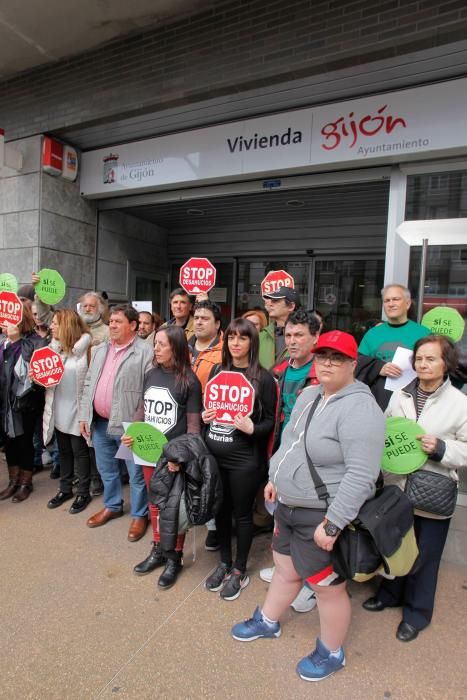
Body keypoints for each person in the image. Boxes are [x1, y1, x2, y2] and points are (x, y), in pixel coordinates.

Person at [231, 330, 385, 683]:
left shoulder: (362, 408)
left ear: (353, 363)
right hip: (287, 505)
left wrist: (334, 523)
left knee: (326, 586)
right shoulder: (311, 394)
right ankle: (268, 620)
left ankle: (332, 652)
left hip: (320, 511)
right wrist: (274, 477)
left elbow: (362, 475)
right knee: (285, 568)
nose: (328, 363)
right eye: (323, 356)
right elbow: (290, 443)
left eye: (337, 358)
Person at [362, 335, 467, 642]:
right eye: (419, 359)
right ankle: (390, 593)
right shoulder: (401, 395)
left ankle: (417, 613)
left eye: (431, 359)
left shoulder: (460, 404)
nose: (423, 364)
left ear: (446, 363)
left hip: (433, 490)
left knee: (426, 554)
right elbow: (386, 431)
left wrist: (442, 448)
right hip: (398, 487)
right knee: (393, 544)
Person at [122, 325, 202, 588]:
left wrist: (181, 457)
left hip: (173, 457)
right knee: (154, 504)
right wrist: (131, 433)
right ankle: (158, 549)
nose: (155, 349)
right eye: (155, 343)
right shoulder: (151, 374)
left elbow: (193, 427)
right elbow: (141, 409)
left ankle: (173, 558)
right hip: (148, 451)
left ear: (176, 348)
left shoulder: (190, 381)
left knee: (173, 509)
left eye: (161, 344)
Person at [203, 317, 276, 601]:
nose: (235, 342)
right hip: (215, 455)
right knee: (220, 510)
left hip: (245, 460)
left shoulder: (264, 378)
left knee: (242, 515)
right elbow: (210, 409)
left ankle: (239, 569)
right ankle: (224, 562)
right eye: (231, 337)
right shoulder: (217, 371)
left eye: (242, 337)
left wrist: (253, 428)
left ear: (251, 342)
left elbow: (271, 421)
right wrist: (208, 419)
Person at [259, 309, 321, 613]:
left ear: (315, 338)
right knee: (281, 515)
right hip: (281, 451)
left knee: (308, 524)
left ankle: (310, 585)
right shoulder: (281, 369)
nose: (293, 340)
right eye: (289, 335)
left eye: (300, 335)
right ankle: (287, 570)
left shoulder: (322, 371)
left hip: (311, 461)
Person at [79, 304, 153, 540]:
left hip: (130, 426)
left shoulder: (145, 352)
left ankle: (140, 515)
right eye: (111, 321)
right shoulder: (101, 349)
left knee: (136, 475)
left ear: (132, 325)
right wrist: (84, 415)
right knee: (107, 470)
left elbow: (148, 391)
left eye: (117, 321)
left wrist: (139, 425)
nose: (112, 325)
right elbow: (89, 382)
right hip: (100, 422)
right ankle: (112, 505)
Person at [39, 310, 93, 514]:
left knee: (80, 453)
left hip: (77, 411)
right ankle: (65, 489)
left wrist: (85, 415)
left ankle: (83, 492)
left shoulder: (87, 350)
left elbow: (89, 385)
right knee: (64, 452)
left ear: (67, 326)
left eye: (55, 323)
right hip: (58, 409)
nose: (51, 326)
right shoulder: (53, 351)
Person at [0, 304, 47, 502]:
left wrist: (15, 341)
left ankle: (25, 483)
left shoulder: (36, 342)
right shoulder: (2, 342)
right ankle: (13, 480)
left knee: (25, 442)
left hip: (24, 402)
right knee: (9, 442)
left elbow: (32, 374)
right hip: (4, 401)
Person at [358, 284, 430, 409]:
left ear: (407, 304)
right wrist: (378, 367)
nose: (391, 304)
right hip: (376, 403)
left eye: (396, 299)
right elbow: (357, 363)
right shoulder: (372, 334)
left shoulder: (424, 333)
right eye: (387, 300)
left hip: (413, 402)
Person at [188, 299, 224, 552]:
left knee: (209, 475)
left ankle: (214, 527)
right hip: (183, 421)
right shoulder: (183, 346)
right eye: (196, 317)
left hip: (209, 424)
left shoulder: (225, 353)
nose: (199, 322)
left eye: (205, 318)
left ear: (217, 324)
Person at [259, 286, 301, 369]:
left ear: (291, 306)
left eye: (276, 301)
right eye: (270, 300)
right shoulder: (261, 336)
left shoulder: (305, 337)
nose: (270, 304)